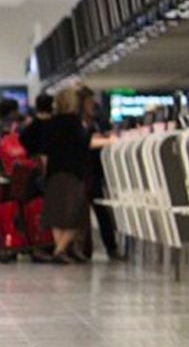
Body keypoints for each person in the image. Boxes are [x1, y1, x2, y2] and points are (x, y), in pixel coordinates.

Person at [41, 88, 90, 264]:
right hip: (72, 172)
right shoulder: (76, 123)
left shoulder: (51, 123)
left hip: (54, 171)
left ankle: (59, 249)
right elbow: (84, 145)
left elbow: (44, 148)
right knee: (75, 214)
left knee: (56, 213)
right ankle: (59, 250)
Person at [78, 85, 121, 260]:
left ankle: (111, 247)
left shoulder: (96, 120)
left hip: (94, 172)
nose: (92, 104)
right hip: (82, 171)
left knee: (101, 211)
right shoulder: (76, 123)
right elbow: (85, 142)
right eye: (89, 101)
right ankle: (83, 248)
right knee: (81, 213)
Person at [20, 93, 54, 159]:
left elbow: (22, 140)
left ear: (37, 106)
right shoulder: (57, 125)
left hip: (35, 162)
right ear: (51, 106)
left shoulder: (30, 126)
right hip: (53, 163)